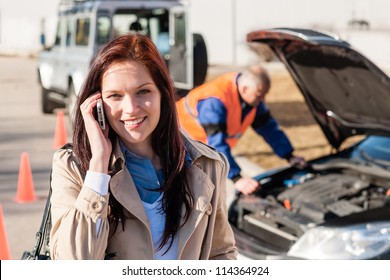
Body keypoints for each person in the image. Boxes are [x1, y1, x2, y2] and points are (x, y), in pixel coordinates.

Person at [49, 33, 237, 260]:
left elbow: (221, 253)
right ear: (97, 104)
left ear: (163, 94)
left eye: (143, 91)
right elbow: (73, 262)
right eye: (115, 96)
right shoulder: (73, 167)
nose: (130, 108)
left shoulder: (206, 165)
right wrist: (98, 166)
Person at [176, 66, 306, 195]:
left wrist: (289, 156)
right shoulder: (215, 101)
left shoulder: (252, 98)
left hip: (204, 149)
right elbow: (216, 144)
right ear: (244, 89)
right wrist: (236, 178)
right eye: (260, 96)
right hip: (179, 145)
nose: (263, 100)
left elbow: (270, 130)